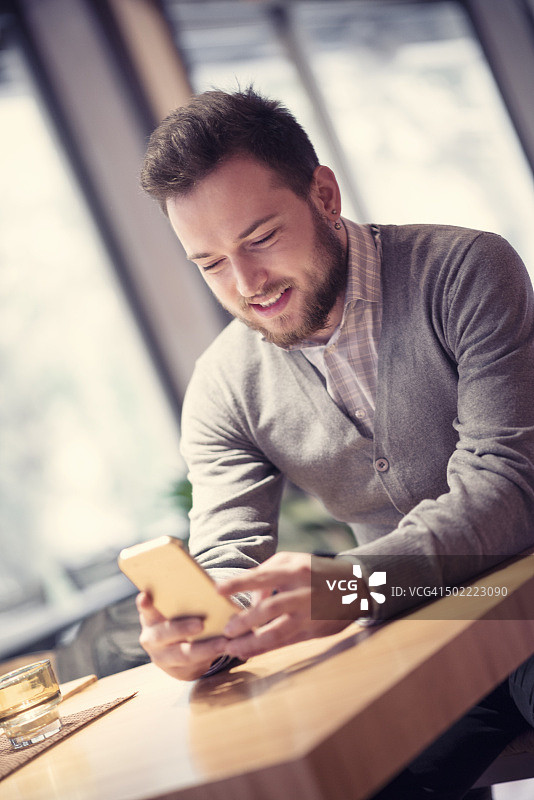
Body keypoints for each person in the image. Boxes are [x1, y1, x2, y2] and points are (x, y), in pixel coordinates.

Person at [137, 87, 534, 798]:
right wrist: (203, 633)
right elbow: (226, 558)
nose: (246, 284)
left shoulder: (464, 270)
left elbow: (506, 491)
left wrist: (346, 586)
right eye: (211, 263)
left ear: (323, 194)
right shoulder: (223, 386)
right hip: (410, 640)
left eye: (261, 239)